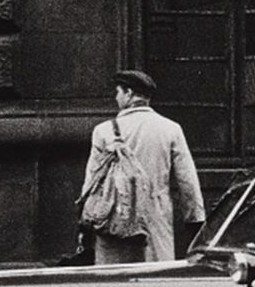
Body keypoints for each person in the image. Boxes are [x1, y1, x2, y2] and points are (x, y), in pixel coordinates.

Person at [80, 69, 205, 265]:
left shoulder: (103, 131)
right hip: (155, 217)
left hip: (114, 218)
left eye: (118, 92)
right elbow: (187, 180)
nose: (116, 97)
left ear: (128, 93)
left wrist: (86, 222)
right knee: (155, 276)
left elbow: (91, 183)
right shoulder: (170, 128)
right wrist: (194, 219)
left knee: (115, 280)